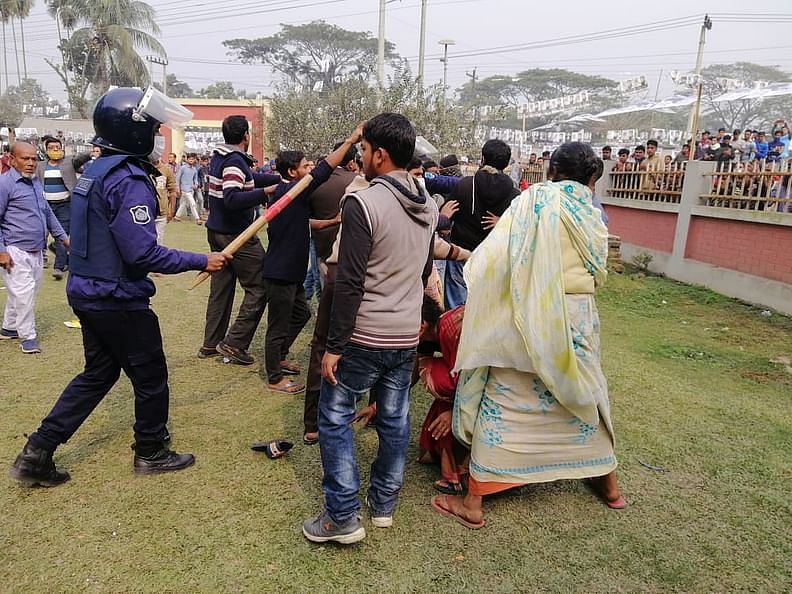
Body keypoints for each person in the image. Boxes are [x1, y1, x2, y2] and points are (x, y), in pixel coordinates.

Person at [8, 87, 230, 487]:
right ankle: (151, 451)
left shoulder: (96, 170)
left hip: (87, 291)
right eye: (154, 129)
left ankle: (37, 452)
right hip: (115, 297)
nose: (159, 137)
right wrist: (204, 259)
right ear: (134, 132)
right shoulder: (129, 180)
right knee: (150, 375)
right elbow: (144, 254)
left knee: (98, 374)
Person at [431, 142, 625, 530]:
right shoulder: (593, 212)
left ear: (551, 171)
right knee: (585, 391)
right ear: (592, 179)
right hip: (578, 319)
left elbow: (494, 257)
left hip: (530, 314)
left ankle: (473, 503)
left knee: (505, 396)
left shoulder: (533, 201)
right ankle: (609, 486)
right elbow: (597, 265)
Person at [302, 113, 438, 544]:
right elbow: (423, 269)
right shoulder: (429, 205)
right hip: (403, 336)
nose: (359, 157)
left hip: (364, 336)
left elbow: (349, 280)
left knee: (336, 417)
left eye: (362, 150)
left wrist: (334, 345)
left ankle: (342, 515)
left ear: (379, 154)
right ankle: (383, 505)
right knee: (395, 419)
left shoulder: (363, 203)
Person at [262, 133, 362, 394]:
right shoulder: (290, 191)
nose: (309, 170)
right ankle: (274, 377)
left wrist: (331, 221)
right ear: (292, 172)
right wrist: (351, 140)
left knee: (302, 313)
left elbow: (304, 223)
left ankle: (281, 356)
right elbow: (324, 170)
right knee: (277, 325)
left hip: (292, 272)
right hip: (280, 272)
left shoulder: (292, 197)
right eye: (305, 166)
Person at [200, 115, 281, 364]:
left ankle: (211, 344)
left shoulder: (221, 157)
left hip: (216, 230)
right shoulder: (234, 160)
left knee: (221, 289)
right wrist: (264, 193)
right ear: (246, 136)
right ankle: (234, 343)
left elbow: (249, 178)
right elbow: (232, 198)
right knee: (260, 286)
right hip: (236, 234)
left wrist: (280, 180)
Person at [0, 142, 70, 354]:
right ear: (12, 159)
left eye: (33, 159)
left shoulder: (35, 183)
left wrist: (64, 239)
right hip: (14, 250)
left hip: (36, 250)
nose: (31, 163)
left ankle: (9, 328)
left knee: (24, 292)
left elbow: (47, 212)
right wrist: (1, 250)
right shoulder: (4, 185)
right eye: (25, 159)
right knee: (24, 294)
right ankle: (28, 337)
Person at [444, 139, 520, 308]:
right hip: (494, 259)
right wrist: (504, 223)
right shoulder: (515, 196)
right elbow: (522, 228)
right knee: (487, 309)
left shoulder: (464, 186)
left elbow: (447, 214)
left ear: (483, 159)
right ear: (506, 164)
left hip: (460, 255)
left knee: (456, 311)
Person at [415, 297, 469, 495]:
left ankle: (458, 472)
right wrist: (379, 406)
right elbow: (408, 375)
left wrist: (454, 411)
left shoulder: (449, 328)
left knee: (438, 379)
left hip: (484, 384)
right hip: (470, 385)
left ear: (422, 325)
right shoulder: (440, 327)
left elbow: (472, 375)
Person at [36, 136, 84, 280]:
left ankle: (58, 267)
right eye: (52, 148)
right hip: (45, 206)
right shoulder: (40, 166)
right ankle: (46, 257)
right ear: (46, 150)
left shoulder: (69, 162)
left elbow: (81, 159)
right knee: (41, 232)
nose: (55, 150)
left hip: (64, 204)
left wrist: (92, 153)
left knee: (61, 235)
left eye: (58, 147)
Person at [152, 156, 177, 245]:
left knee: (158, 242)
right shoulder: (140, 167)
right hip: (146, 213)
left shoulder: (166, 170)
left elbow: (173, 190)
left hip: (161, 213)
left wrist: (172, 210)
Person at [175, 153, 202, 224]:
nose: (191, 160)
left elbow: (195, 179)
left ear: (194, 160)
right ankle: (197, 218)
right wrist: (177, 188)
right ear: (187, 159)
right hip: (184, 189)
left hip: (190, 189)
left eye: (192, 159)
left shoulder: (194, 169)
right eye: (190, 159)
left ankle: (177, 216)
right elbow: (178, 178)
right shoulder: (183, 168)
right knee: (192, 203)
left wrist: (196, 185)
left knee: (183, 203)